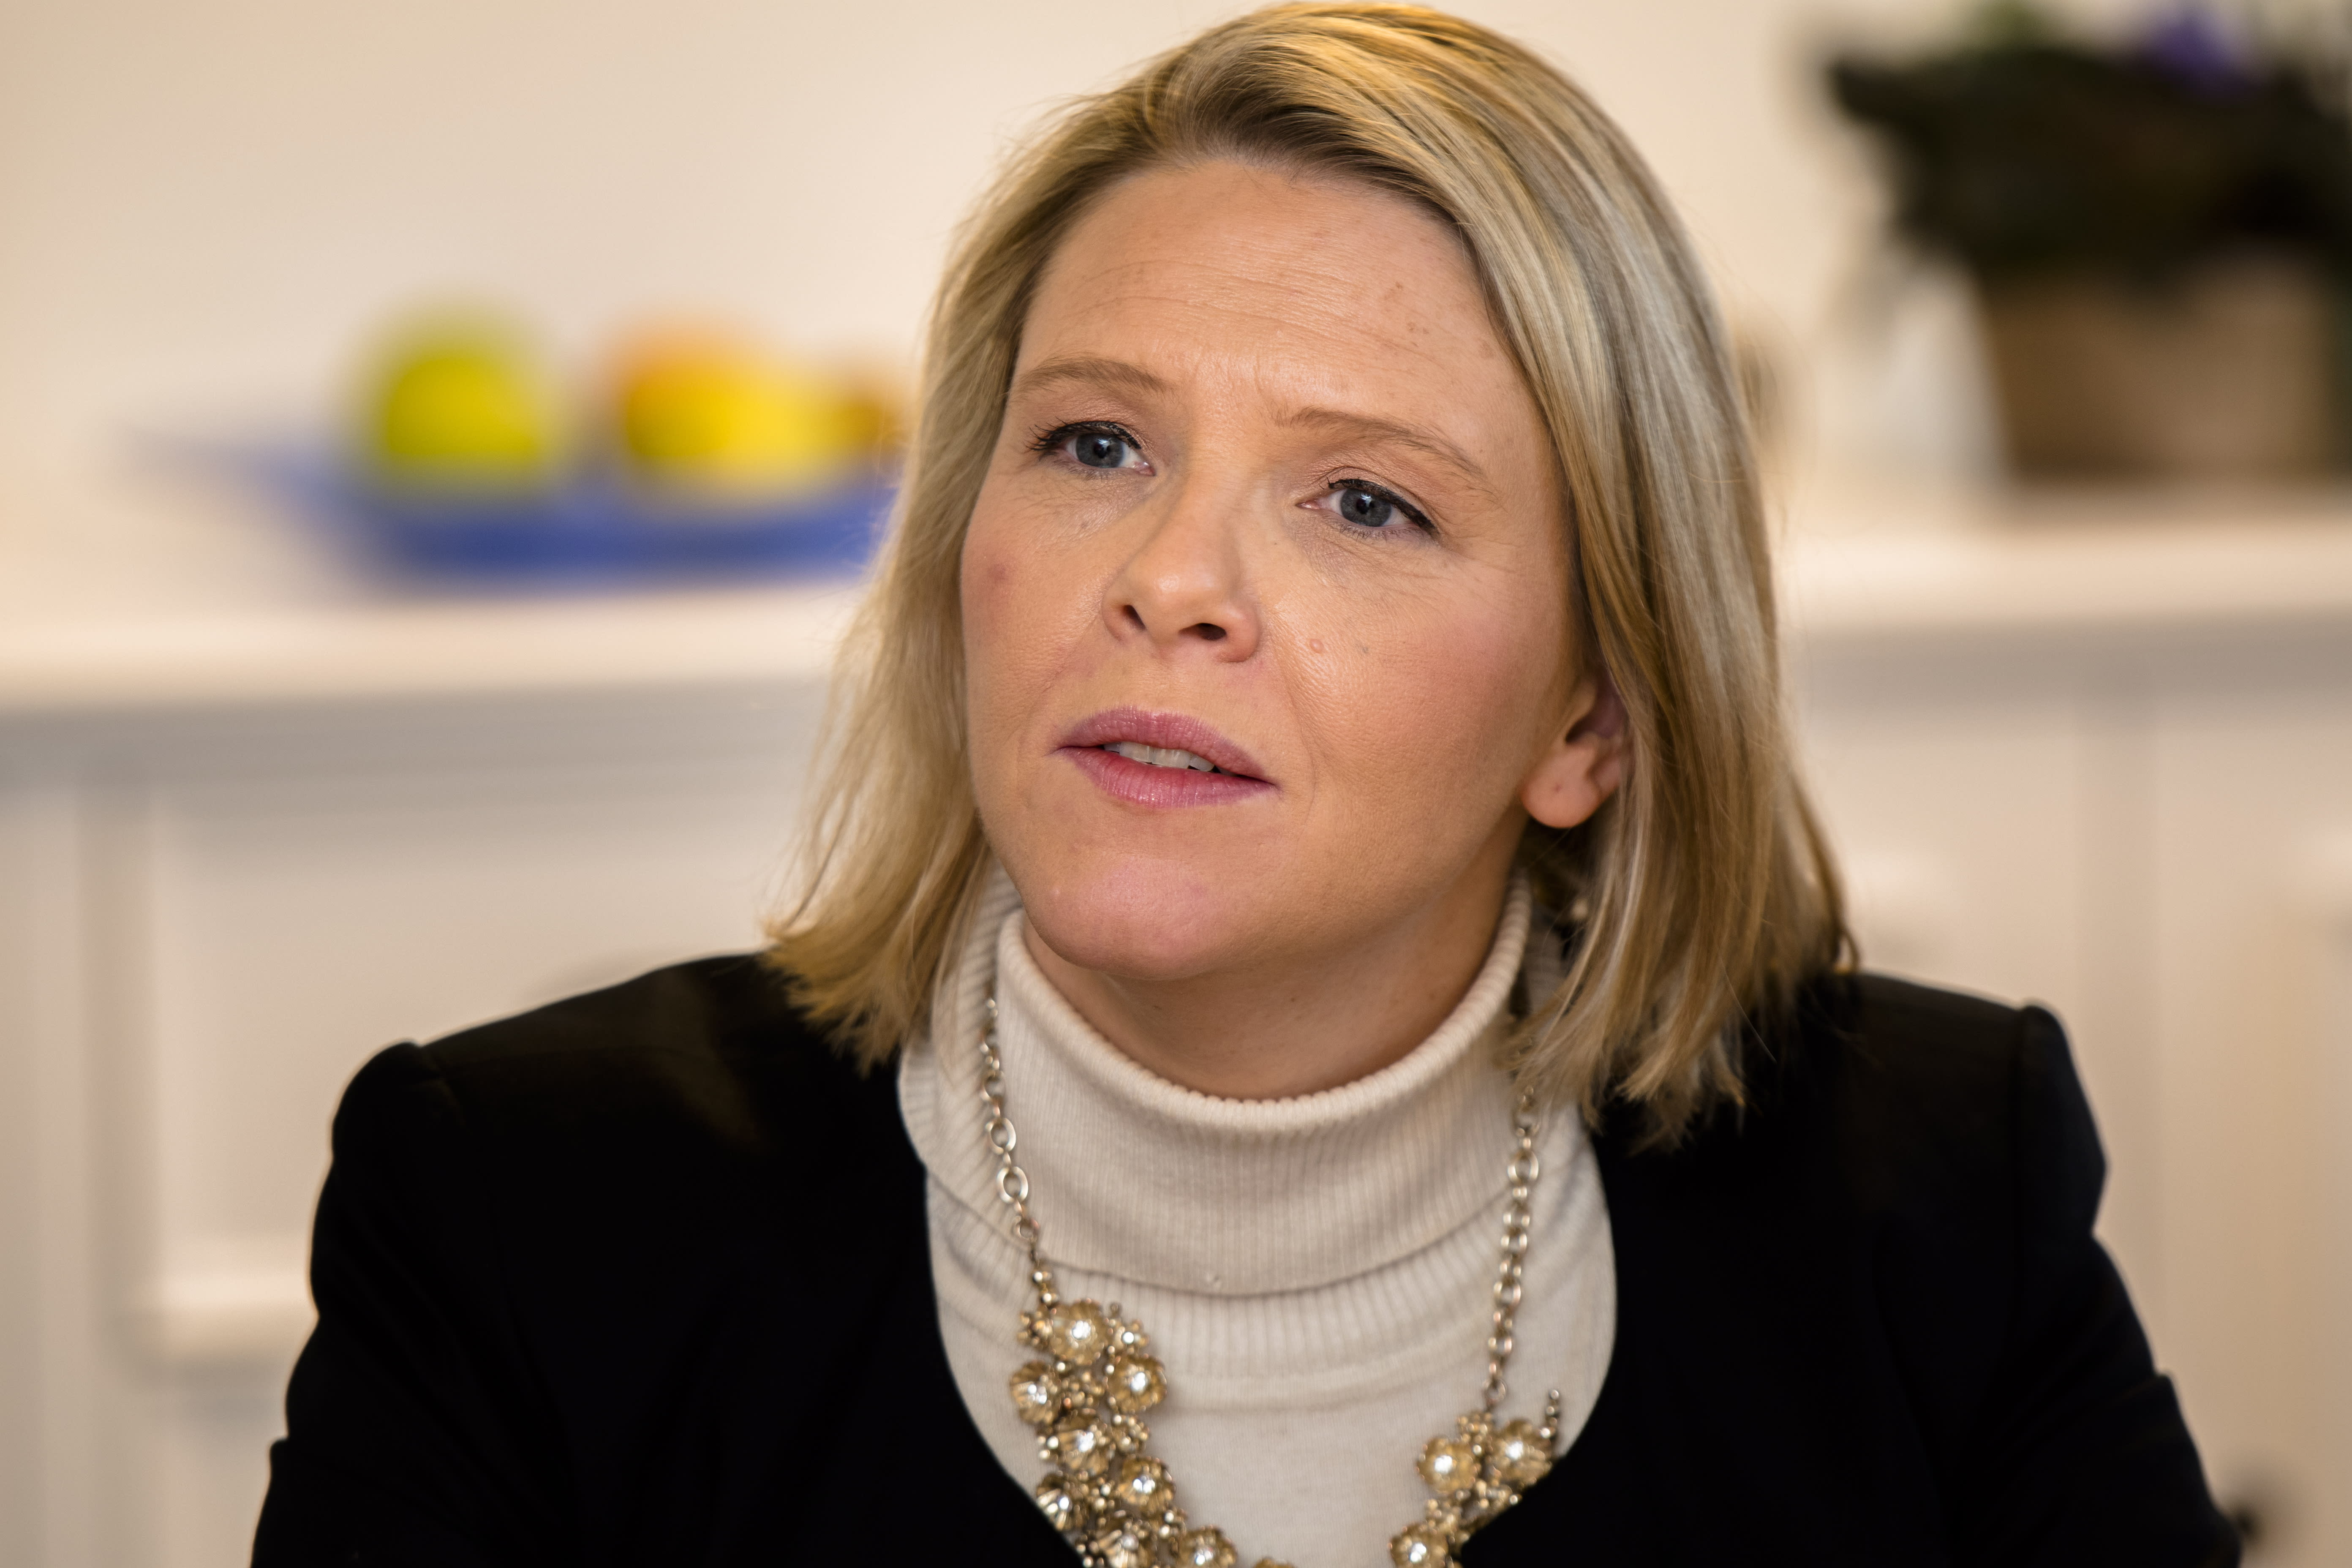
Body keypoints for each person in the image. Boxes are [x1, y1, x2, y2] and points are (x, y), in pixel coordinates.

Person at [252, 6, 2237, 1565]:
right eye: (1096, 446)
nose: (1168, 581)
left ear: (1593, 717)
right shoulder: (522, 1210)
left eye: (1365, 500)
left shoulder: (1938, 1202)